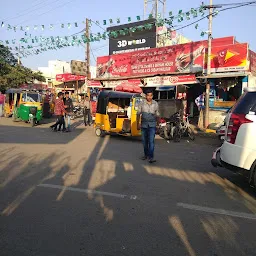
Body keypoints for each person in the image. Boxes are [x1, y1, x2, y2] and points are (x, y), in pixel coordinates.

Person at [137, 90, 160, 163]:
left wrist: (158, 124)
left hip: (152, 125)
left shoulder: (155, 103)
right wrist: (138, 123)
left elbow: (158, 115)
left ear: (152, 96)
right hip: (143, 125)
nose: (149, 97)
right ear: (146, 96)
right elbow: (138, 114)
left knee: (151, 141)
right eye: (148, 95)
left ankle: (151, 157)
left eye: (151, 95)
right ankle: (146, 155)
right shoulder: (142, 103)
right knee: (144, 141)